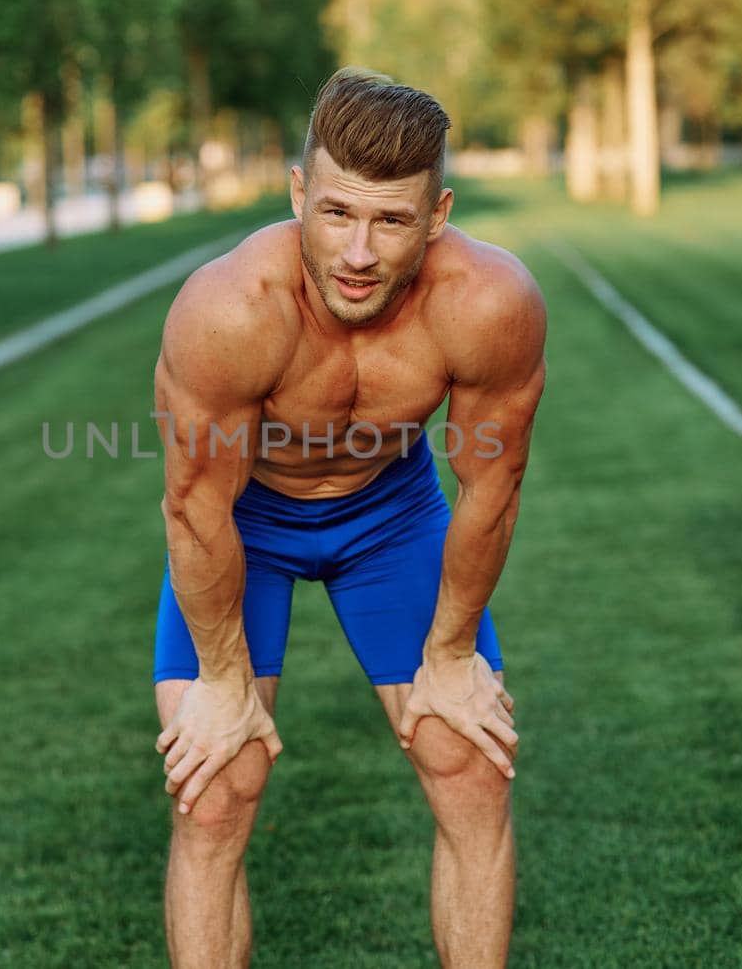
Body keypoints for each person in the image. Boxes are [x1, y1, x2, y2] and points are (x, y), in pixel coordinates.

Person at [151, 67, 549, 967]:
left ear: (438, 215)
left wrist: (449, 657)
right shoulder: (229, 312)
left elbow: (491, 489)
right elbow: (194, 505)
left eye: (392, 220)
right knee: (216, 786)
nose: (359, 252)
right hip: (245, 521)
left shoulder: (488, 305)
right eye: (335, 213)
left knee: (471, 766)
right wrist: (222, 682)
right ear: (298, 193)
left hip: (392, 515)